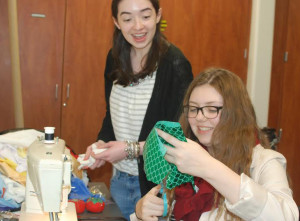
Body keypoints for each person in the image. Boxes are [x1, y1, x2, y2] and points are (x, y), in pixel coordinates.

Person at [133, 68, 299, 221]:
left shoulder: (265, 161)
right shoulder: (184, 156)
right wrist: (141, 212)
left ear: (236, 113)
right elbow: (164, 206)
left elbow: (285, 217)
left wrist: (208, 167)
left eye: (212, 109)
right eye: (193, 108)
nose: (199, 117)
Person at [82, 0, 193, 220]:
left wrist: (130, 149)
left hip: (157, 188)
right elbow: (111, 116)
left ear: (158, 15)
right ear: (116, 22)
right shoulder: (114, 59)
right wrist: (102, 144)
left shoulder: (175, 65)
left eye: (145, 15)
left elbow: (179, 137)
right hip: (120, 181)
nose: (138, 26)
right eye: (127, 18)